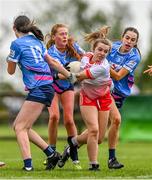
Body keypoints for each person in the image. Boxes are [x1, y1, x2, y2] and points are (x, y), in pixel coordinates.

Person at [6, 15, 76, 171]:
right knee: (21, 126)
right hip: (47, 87)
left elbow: (10, 71)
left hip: (40, 87)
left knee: (20, 128)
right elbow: (51, 62)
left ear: (14, 28)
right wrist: (69, 75)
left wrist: (9, 59)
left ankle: (28, 166)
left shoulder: (16, 44)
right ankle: (51, 154)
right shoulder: (37, 42)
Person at [59, 26, 112, 170]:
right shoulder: (85, 57)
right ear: (93, 49)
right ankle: (93, 165)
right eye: (99, 50)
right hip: (87, 97)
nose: (102, 53)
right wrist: (68, 40)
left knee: (99, 138)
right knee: (93, 130)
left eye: (105, 51)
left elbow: (80, 76)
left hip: (104, 97)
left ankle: (73, 143)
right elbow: (78, 56)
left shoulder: (103, 67)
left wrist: (60, 74)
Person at [45, 24, 85, 168]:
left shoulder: (73, 47)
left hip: (67, 86)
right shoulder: (49, 52)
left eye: (66, 34)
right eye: (61, 34)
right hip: (52, 85)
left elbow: (87, 57)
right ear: (54, 36)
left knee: (69, 120)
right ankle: (52, 154)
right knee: (54, 116)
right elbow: (52, 74)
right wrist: (64, 75)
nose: (64, 36)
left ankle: (74, 157)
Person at [106, 27, 141, 169]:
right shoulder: (111, 47)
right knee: (116, 120)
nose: (129, 41)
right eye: (127, 38)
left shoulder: (134, 56)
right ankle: (112, 159)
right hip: (104, 89)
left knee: (96, 130)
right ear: (122, 37)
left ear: (135, 43)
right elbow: (96, 54)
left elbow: (119, 75)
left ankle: (73, 145)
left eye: (133, 40)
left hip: (119, 93)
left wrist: (101, 66)